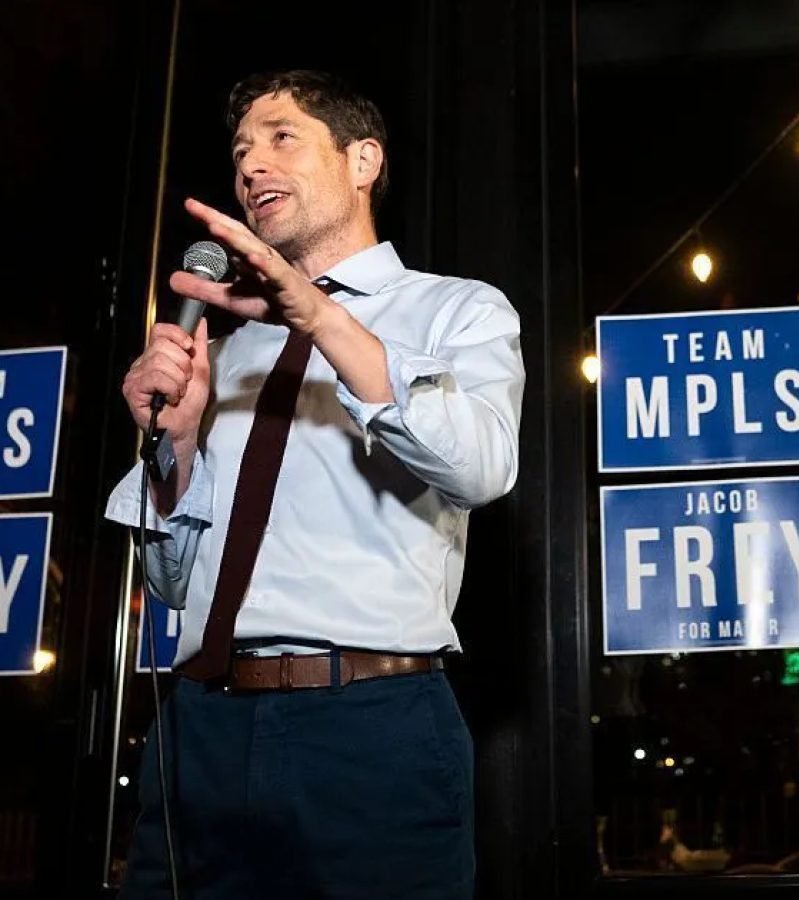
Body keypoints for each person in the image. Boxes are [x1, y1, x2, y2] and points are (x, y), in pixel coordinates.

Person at [106, 69, 524, 899]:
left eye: (281, 137)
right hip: (202, 730)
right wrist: (178, 444)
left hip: (370, 727)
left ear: (362, 160)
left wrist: (324, 317)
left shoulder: (456, 312)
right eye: (239, 152)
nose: (252, 165)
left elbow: (482, 469)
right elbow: (171, 577)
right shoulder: (224, 353)